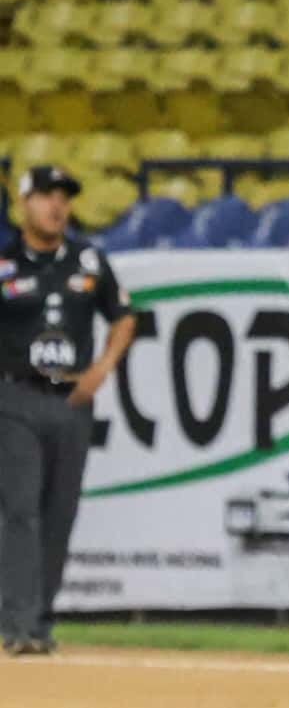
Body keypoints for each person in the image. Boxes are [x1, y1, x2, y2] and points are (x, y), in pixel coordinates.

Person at [0, 166, 136, 656]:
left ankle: (39, 622)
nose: (56, 205)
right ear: (23, 204)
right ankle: (17, 623)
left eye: (63, 197)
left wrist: (102, 368)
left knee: (60, 513)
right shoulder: (4, 263)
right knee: (20, 510)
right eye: (45, 196)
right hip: (15, 397)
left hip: (73, 401)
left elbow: (124, 317)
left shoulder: (89, 260)